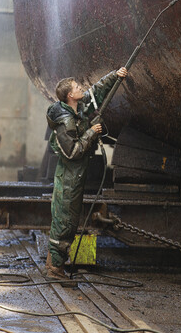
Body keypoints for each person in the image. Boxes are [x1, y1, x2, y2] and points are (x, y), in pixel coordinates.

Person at [45, 67, 128, 279]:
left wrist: (115, 75)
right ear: (70, 96)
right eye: (77, 87)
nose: (81, 87)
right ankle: (55, 268)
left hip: (76, 174)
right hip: (69, 176)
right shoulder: (65, 122)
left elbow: (96, 92)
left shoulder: (77, 107)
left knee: (69, 220)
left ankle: (55, 263)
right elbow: (72, 152)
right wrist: (92, 131)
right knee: (65, 221)